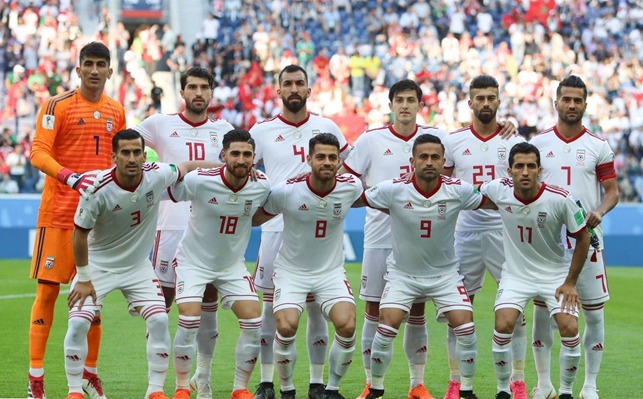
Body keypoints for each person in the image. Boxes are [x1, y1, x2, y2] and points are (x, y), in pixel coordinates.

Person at [64, 129, 208, 399]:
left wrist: (231, 169)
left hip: (137, 268)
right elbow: (79, 234)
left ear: (144, 154)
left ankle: (154, 391)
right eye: (125, 152)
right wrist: (83, 277)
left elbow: (187, 166)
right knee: (78, 325)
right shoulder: (97, 189)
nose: (132, 158)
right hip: (97, 267)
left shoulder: (157, 174)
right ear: (114, 156)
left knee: (159, 319)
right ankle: (74, 391)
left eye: (137, 152)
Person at [357, 134, 491, 399]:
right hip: (402, 274)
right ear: (412, 161)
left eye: (435, 157)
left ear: (443, 161)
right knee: (387, 323)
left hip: (445, 275)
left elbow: (494, 202)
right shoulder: (393, 189)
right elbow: (354, 198)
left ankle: (466, 390)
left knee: (465, 325)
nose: (429, 162)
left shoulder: (459, 189)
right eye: (423, 157)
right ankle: (376, 388)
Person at [28, 41, 127, 399]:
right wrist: (70, 176)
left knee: (92, 300)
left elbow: (120, 160)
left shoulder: (117, 111)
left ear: (110, 71)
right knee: (48, 292)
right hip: (58, 215)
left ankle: (89, 375)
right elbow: (37, 152)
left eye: (102, 64)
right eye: (89, 64)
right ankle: (35, 377)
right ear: (79, 69)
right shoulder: (56, 106)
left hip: (98, 220)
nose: (95, 70)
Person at [339, 79, 448, 399]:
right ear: (390, 104)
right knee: (373, 309)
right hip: (379, 236)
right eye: (398, 99)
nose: (404, 105)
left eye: (410, 100)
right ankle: (371, 383)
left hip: (420, 239)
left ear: (419, 105)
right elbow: (347, 179)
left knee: (416, 310)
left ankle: (417, 384)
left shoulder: (435, 138)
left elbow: (459, 163)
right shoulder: (372, 140)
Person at [250, 65, 352, 399]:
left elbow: (345, 169)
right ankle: (267, 380)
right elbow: (248, 172)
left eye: (300, 83)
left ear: (309, 90)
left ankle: (316, 382)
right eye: (288, 84)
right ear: (278, 90)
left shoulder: (327, 126)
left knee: (317, 308)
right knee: (272, 309)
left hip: (317, 229)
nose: (294, 89)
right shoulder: (262, 130)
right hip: (276, 227)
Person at [134, 66, 235, 399]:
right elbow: (123, 146)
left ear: (211, 93)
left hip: (209, 229)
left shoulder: (224, 130)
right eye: (192, 87)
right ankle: (157, 382)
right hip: (170, 224)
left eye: (205, 88)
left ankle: (201, 377)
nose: (199, 93)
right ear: (182, 91)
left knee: (207, 303)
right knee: (160, 305)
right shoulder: (159, 124)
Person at [529, 76, 619, 399]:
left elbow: (613, 192)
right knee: (542, 312)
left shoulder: (598, 146)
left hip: (588, 242)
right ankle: (544, 384)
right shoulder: (538, 145)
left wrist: (600, 211)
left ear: (585, 104)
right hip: (549, 244)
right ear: (556, 103)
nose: (571, 105)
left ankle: (589, 385)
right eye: (565, 99)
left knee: (594, 314)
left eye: (577, 100)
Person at [479, 142, 591, 399]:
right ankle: (502, 390)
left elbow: (583, 237)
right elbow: (469, 192)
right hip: (516, 275)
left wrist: (570, 282)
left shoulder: (560, 198)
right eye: (520, 166)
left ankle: (564, 392)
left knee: (569, 327)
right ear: (510, 171)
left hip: (554, 274)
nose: (526, 171)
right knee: (503, 323)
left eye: (531, 166)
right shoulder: (498, 190)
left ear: (540, 170)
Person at [442, 75, 527, 399]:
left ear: (499, 101)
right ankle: (456, 381)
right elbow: (443, 187)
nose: (486, 103)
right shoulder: (453, 141)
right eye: (480, 98)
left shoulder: (512, 140)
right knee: (459, 310)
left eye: (492, 97)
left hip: (505, 233)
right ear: (470, 102)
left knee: (514, 308)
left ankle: (516, 381)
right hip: (465, 232)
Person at [169, 129, 270, 399]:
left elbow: (261, 213)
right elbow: (169, 192)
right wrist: (187, 166)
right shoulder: (200, 180)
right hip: (193, 262)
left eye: (246, 154)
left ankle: (239, 389)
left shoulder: (262, 185)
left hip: (231, 266)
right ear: (223, 155)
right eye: (234, 153)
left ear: (254, 157)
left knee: (254, 322)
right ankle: (181, 388)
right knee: (189, 319)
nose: (241, 159)